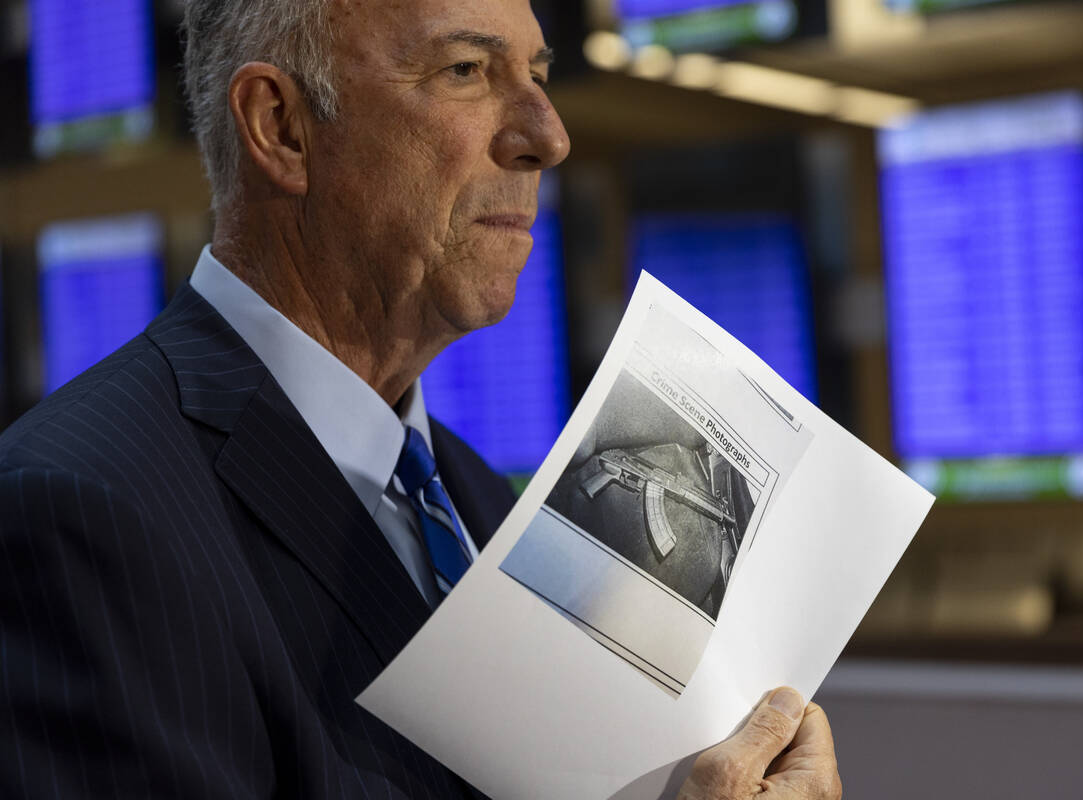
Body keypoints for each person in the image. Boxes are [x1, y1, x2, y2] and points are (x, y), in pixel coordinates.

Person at [0, 0, 842, 798]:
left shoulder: (473, 500)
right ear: (282, 128)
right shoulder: (78, 509)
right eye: (468, 70)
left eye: (539, 78)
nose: (547, 136)